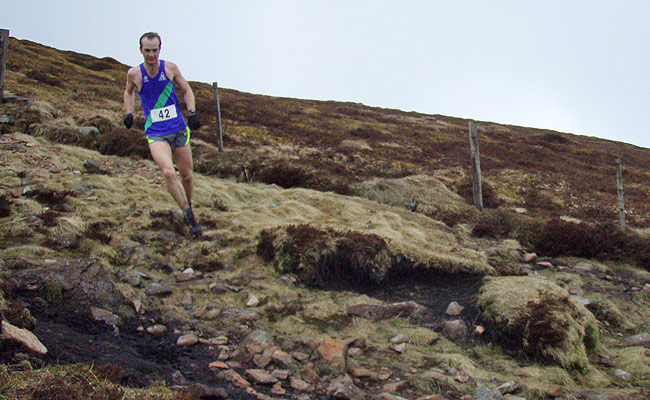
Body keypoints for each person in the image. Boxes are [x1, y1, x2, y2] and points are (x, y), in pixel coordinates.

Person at [123, 32, 202, 236]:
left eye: (155, 50)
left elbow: (187, 89)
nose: (151, 54)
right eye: (147, 50)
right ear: (141, 50)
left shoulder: (170, 68)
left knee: (187, 176)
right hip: (156, 132)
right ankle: (188, 215)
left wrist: (191, 112)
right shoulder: (134, 74)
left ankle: (188, 203)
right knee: (168, 172)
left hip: (178, 129)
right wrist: (129, 113)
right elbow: (129, 92)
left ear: (160, 49)